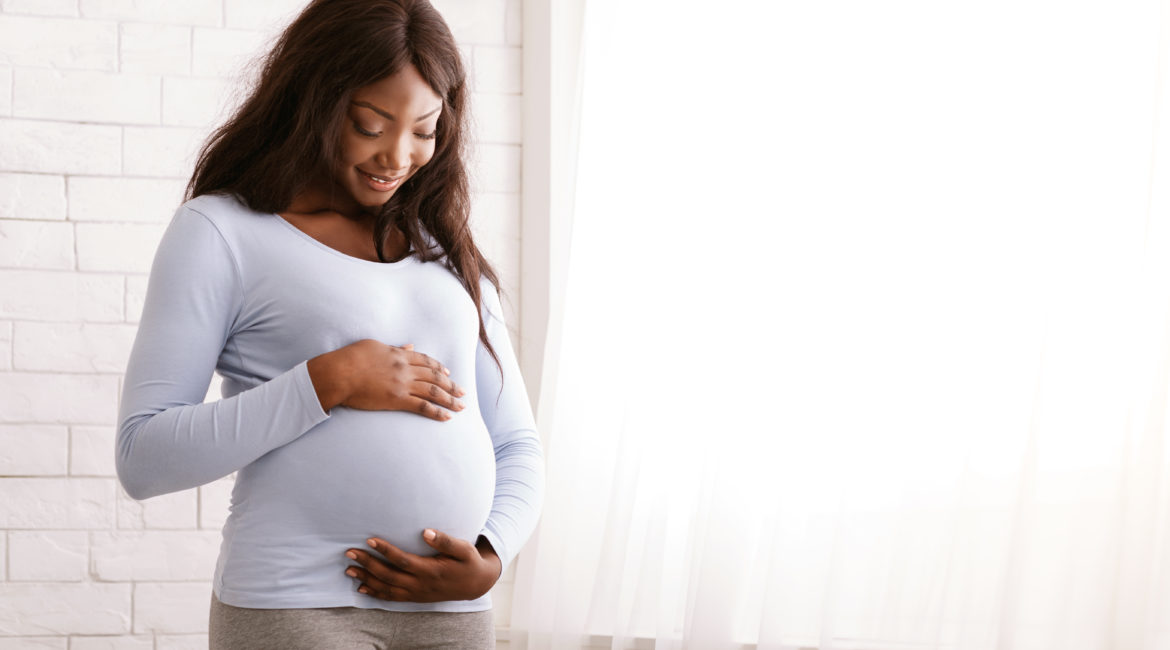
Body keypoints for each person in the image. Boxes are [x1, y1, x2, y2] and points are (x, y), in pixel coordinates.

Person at [113, 0, 545, 647]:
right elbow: (143, 458)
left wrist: (490, 555)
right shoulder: (222, 231)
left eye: (424, 129)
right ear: (312, 101)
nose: (397, 156)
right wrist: (328, 380)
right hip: (292, 605)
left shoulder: (447, 250)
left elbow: (516, 442)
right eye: (371, 124)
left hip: (449, 614)